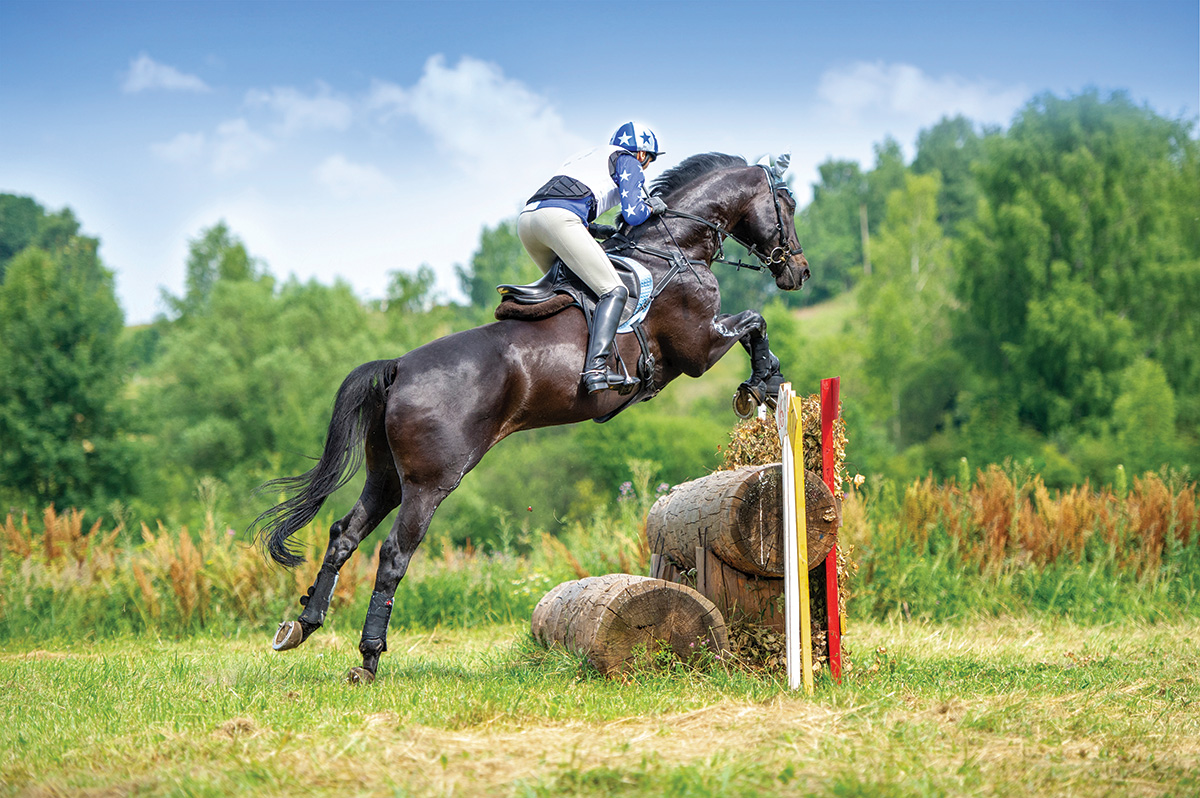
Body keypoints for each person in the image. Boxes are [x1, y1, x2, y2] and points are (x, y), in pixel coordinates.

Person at [518, 122, 667, 393]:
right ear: (642, 154)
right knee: (614, 290)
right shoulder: (628, 160)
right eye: (648, 161)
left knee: (574, 291)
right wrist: (653, 206)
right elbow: (634, 213)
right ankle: (596, 370)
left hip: (528, 222)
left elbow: (565, 196)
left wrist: (595, 228)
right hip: (558, 220)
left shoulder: (585, 157)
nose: (645, 168)